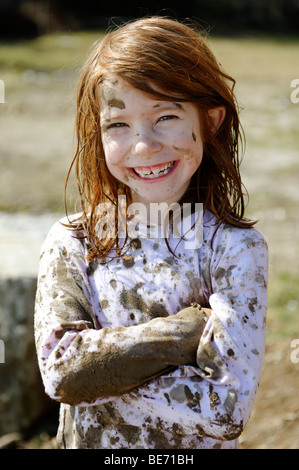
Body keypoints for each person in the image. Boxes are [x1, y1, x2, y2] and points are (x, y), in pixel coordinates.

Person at [34, 16, 268, 449]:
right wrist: (180, 335)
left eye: (166, 116)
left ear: (210, 121)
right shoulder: (73, 242)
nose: (144, 145)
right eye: (118, 125)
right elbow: (61, 374)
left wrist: (97, 379)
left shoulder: (233, 249)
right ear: (98, 133)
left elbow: (226, 410)